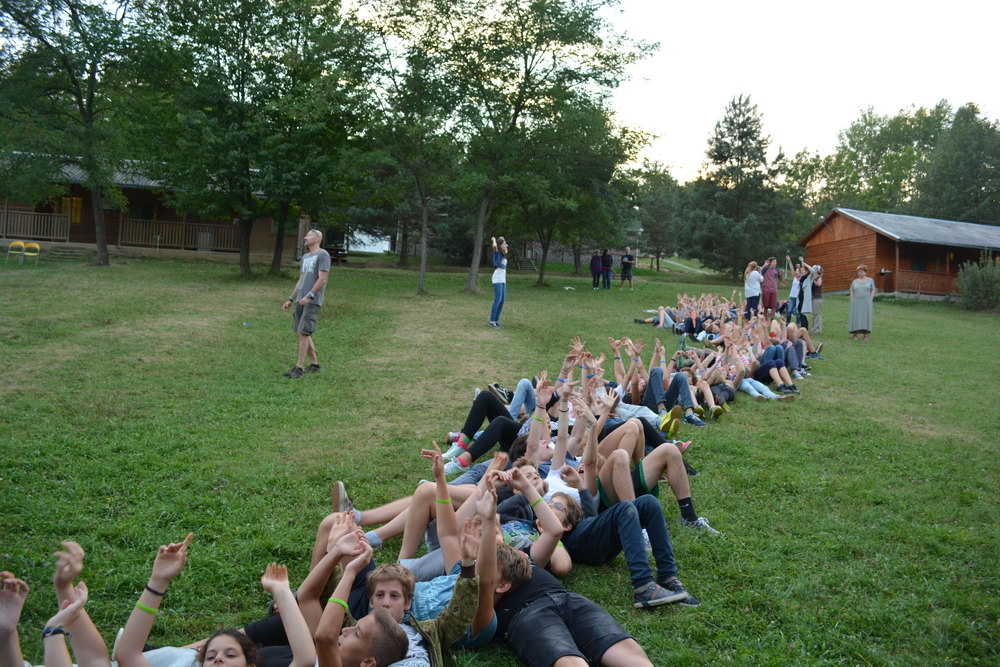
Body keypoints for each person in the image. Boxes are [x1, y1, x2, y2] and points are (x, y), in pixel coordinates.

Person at [282, 229, 330, 378]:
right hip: (300, 300)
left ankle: (298, 369)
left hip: (312, 301)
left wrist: (309, 296)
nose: (305, 237)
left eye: (308, 236)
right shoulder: (305, 257)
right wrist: (291, 298)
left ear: (317, 239)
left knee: (304, 333)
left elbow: (322, 279)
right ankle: (315, 365)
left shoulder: (323, 255)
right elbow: (301, 280)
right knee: (303, 332)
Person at [849, 264, 876, 342]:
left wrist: (871, 298)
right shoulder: (854, 281)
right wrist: (852, 299)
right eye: (859, 272)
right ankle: (855, 334)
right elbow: (852, 291)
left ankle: (865, 335)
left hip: (866, 302)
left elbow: (873, 289)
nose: (860, 273)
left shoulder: (870, 280)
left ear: (865, 272)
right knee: (855, 317)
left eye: (861, 272)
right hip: (856, 302)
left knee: (866, 318)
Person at [489, 236, 508, 329]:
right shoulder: (496, 252)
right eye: (504, 244)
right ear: (499, 245)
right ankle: (492, 321)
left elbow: (506, 250)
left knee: (502, 300)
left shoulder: (503, 253)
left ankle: (496, 320)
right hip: (497, 278)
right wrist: (494, 240)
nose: (506, 245)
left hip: (503, 279)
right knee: (498, 299)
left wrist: (503, 241)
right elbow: (494, 246)